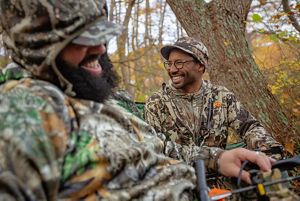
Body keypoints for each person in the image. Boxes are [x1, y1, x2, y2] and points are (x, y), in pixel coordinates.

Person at [0, 1, 280, 200]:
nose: (99, 48)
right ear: (37, 46)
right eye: (80, 38)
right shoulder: (23, 114)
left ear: (201, 66)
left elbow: (160, 148)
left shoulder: (96, 95)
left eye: (101, 33)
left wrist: (219, 158)